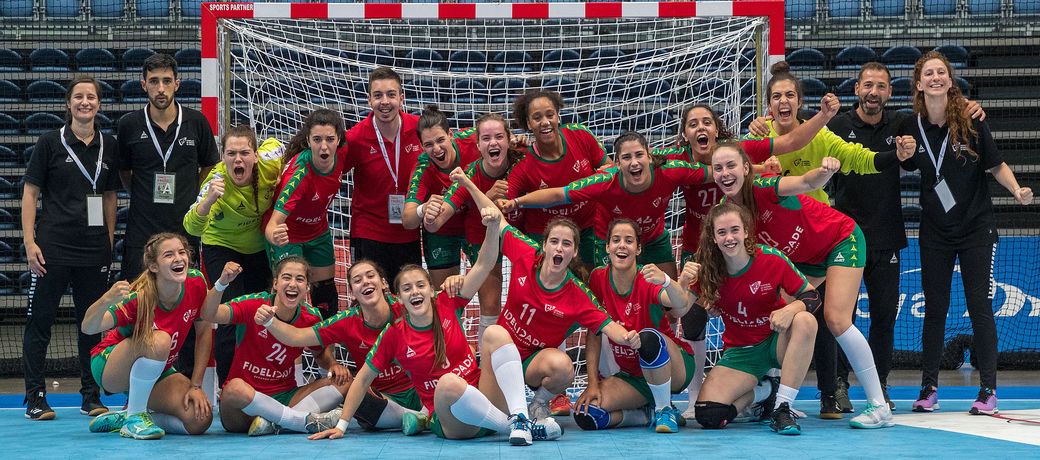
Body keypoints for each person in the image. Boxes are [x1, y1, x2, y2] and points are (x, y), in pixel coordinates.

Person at [302, 203, 563, 445]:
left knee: (495, 333)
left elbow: (483, 264)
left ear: (430, 290)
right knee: (448, 384)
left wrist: (493, 228)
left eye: (419, 286)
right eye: (407, 288)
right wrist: (343, 425)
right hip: (453, 419)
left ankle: (520, 418)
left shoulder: (447, 302)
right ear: (400, 298)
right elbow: (362, 380)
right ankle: (513, 428)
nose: (414, 292)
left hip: (485, 397)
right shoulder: (394, 334)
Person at [657, 99, 839, 420]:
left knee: (773, 307)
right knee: (694, 319)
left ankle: (772, 384)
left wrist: (823, 116)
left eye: (706, 122)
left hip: (740, 246)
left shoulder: (737, 151)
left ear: (717, 128)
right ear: (684, 134)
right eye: (693, 124)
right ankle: (695, 393)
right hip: (700, 250)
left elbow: (789, 142)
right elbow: (652, 170)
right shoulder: (678, 162)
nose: (701, 128)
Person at [711, 142, 894, 429]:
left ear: (746, 168)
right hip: (805, 260)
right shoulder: (726, 213)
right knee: (773, 314)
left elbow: (806, 181)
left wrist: (825, 171)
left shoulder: (764, 187)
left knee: (835, 318)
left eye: (731, 165)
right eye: (718, 168)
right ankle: (770, 397)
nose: (725, 173)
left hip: (839, 240)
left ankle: (879, 406)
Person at [452, 167, 641, 422]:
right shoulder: (525, 253)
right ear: (545, 245)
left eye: (566, 244)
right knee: (490, 414)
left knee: (563, 365)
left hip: (532, 364)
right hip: (499, 353)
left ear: (574, 253)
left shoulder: (577, 294)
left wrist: (629, 337)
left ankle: (539, 404)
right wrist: (467, 184)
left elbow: (607, 326)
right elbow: (498, 219)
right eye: (554, 241)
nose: (559, 248)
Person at [902, 51, 1033, 416]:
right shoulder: (910, 126)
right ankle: (928, 389)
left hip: (976, 228)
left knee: (980, 308)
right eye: (928, 73)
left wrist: (1017, 189)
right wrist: (900, 153)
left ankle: (988, 390)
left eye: (941, 72)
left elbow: (995, 164)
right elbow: (901, 158)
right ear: (919, 83)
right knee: (935, 310)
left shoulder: (972, 121)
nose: (935, 77)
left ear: (950, 80)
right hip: (935, 233)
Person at [22, 75, 120, 420]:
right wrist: (30, 242)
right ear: (68, 103)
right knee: (40, 322)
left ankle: (90, 397)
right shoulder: (49, 143)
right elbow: (30, 194)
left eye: (91, 97)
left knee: (90, 324)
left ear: (98, 104)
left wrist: (108, 241)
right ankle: (34, 398)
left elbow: (110, 196)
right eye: (78, 97)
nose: (85, 102)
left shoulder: (109, 144)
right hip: (52, 249)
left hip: (93, 251)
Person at [687, 202, 819, 435]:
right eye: (722, 232)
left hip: (776, 340)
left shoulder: (771, 259)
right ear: (714, 237)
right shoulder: (707, 269)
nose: (729, 237)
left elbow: (812, 296)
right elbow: (680, 309)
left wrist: (790, 309)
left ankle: (783, 408)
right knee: (709, 415)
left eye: (735, 230)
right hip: (742, 351)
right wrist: (675, 284)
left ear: (746, 231)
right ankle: (766, 391)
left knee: (805, 321)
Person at [504, 131, 710, 280]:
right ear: (617, 164)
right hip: (611, 243)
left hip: (653, 238)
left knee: (670, 302)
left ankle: (666, 338)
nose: (634, 162)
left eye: (639, 155)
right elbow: (560, 194)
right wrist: (517, 201)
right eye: (626, 158)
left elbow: (716, 172)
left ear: (649, 155)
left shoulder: (670, 171)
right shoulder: (604, 181)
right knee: (609, 303)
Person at [259, 260, 429, 435]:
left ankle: (422, 417)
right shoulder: (347, 321)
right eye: (357, 280)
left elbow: (441, 300)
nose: (365, 282)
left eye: (370, 276)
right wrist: (269, 321)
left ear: (384, 283)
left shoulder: (407, 306)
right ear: (352, 293)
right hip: (382, 401)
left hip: (422, 390)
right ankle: (421, 419)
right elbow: (296, 336)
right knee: (355, 394)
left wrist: (457, 284)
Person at [81, 233, 213, 439]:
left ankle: (127, 415)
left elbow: (204, 332)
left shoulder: (196, 282)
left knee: (199, 419)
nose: (178, 258)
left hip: (158, 368)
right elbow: (88, 327)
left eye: (181, 252)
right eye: (169, 255)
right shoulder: (139, 297)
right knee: (161, 340)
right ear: (153, 266)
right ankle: (135, 417)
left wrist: (196, 385)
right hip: (109, 364)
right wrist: (106, 299)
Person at [200, 256, 347, 435]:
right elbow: (209, 314)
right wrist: (222, 283)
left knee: (345, 382)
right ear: (276, 283)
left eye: (300, 279)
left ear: (307, 287)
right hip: (244, 404)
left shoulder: (311, 317)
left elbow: (319, 353)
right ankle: (297, 421)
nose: (293, 284)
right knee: (233, 389)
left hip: (285, 397)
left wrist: (333, 364)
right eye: (287, 277)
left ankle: (274, 422)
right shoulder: (254, 304)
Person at [573, 218, 695, 433]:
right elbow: (594, 333)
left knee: (648, 337)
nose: (622, 245)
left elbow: (681, 303)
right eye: (616, 240)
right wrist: (592, 383)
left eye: (629, 241)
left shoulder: (647, 277)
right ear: (608, 247)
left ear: (638, 249)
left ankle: (664, 408)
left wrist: (666, 280)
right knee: (586, 414)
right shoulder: (598, 278)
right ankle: (645, 414)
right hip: (633, 375)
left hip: (672, 366)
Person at [184, 125, 283, 385]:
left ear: (255, 155)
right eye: (230, 154)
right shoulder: (215, 182)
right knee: (230, 314)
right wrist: (207, 203)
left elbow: (280, 145)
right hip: (222, 246)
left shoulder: (269, 163)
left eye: (244, 153)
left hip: (258, 248)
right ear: (223, 157)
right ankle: (227, 384)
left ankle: (264, 379)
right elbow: (190, 226)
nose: (238, 159)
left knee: (262, 314)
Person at [117, 52, 219, 281]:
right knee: (138, 297)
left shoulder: (197, 122)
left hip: (184, 226)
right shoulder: (128, 125)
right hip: (142, 227)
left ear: (177, 84)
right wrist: (142, 194)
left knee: (186, 295)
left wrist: (193, 193)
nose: (160, 88)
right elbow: (123, 170)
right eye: (154, 81)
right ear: (144, 85)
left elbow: (210, 165)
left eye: (166, 81)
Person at [428, 113, 525, 343]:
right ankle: (485, 364)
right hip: (482, 238)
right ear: (478, 145)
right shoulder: (469, 174)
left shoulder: (524, 159)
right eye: (486, 138)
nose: (493, 143)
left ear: (509, 139)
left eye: (499, 136)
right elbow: (438, 221)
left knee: (529, 296)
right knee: (491, 302)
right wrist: (429, 214)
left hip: (520, 234)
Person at [508, 89, 611, 268]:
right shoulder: (522, 159)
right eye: (537, 117)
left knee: (592, 283)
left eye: (550, 114)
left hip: (587, 227)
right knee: (546, 288)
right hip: (543, 234)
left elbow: (611, 172)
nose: (545, 122)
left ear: (558, 116)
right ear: (528, 123)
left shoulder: (580, 135)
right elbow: (505, 200)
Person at [343, 67, 424, 284]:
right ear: (369, 100)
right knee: (369, 297)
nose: (385, 101)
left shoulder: (419, 128)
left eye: (391, 94)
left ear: (402, 98)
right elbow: (329, 171)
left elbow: (453, 147)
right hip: (369, 231)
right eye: (378, 95)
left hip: (408, 230)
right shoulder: (355, 137)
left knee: (408, 298)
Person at [264, 108, 347, 319]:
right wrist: (274, 235)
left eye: (330, 139)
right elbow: (273, 224)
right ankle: (287, 345)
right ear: (308, 141)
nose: (324, 146)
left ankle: (323, 347)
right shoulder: (300, 175)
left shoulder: (343, 155)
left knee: (326, 295)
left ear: (339, 140)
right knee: (290, 294)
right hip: (289, 235)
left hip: (318, 230)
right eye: (317, 139)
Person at [402, 105, 480, 287]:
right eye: (428, 145)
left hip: (475, 224)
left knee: (489, 295)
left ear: (451, 134)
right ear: (421, 146)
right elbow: (408, 220)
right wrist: (423, 209)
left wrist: (516, 139)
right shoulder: (423, 168)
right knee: (445, 297)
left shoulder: (473, 139)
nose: (436, 149)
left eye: (440, 140)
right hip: (442, 232)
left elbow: (498, 136)